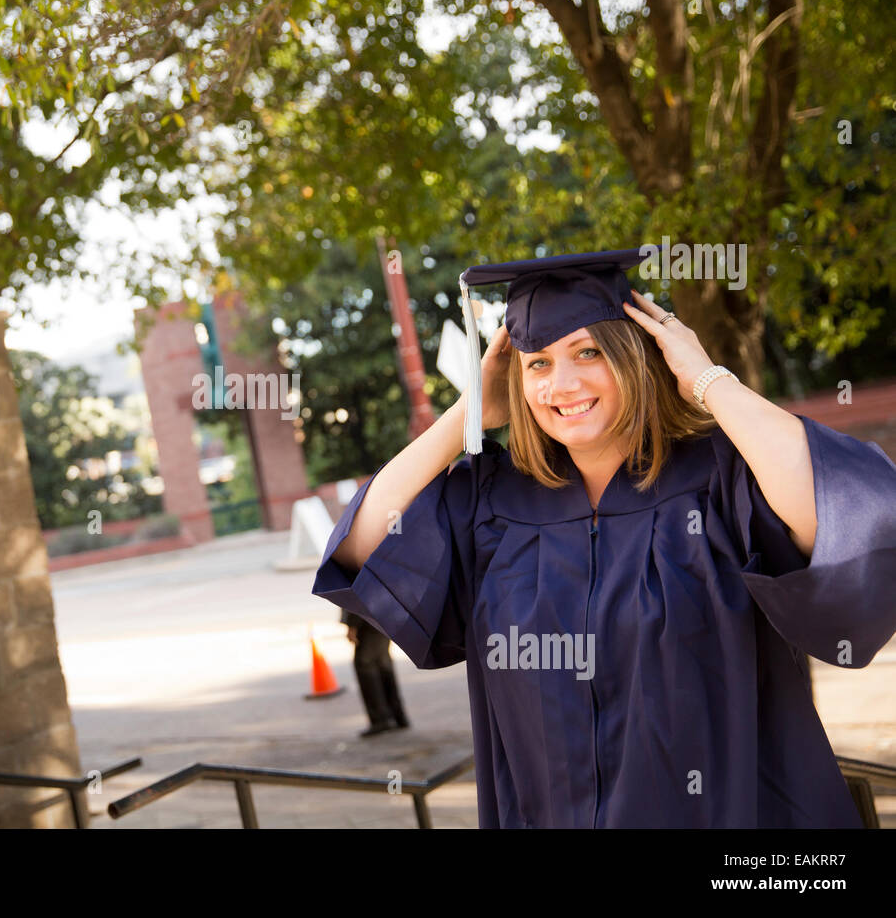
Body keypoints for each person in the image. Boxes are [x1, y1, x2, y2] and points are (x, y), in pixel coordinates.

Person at [313, 249, 896, 828]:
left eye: (587, 351)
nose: (561, 384)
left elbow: (851, 513)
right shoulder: (492, 503)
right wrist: (466, 413)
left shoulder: (721, 477)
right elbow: (361, 547)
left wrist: (706, 379)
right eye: (537, 363)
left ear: (636, 355)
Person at [342, 607, 409, 737]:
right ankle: (397, 716)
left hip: (366, 620)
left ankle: (380, 719)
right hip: (384, 616)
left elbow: (354, 593)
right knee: (383, 665)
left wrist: (352, 625)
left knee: (366, 665)